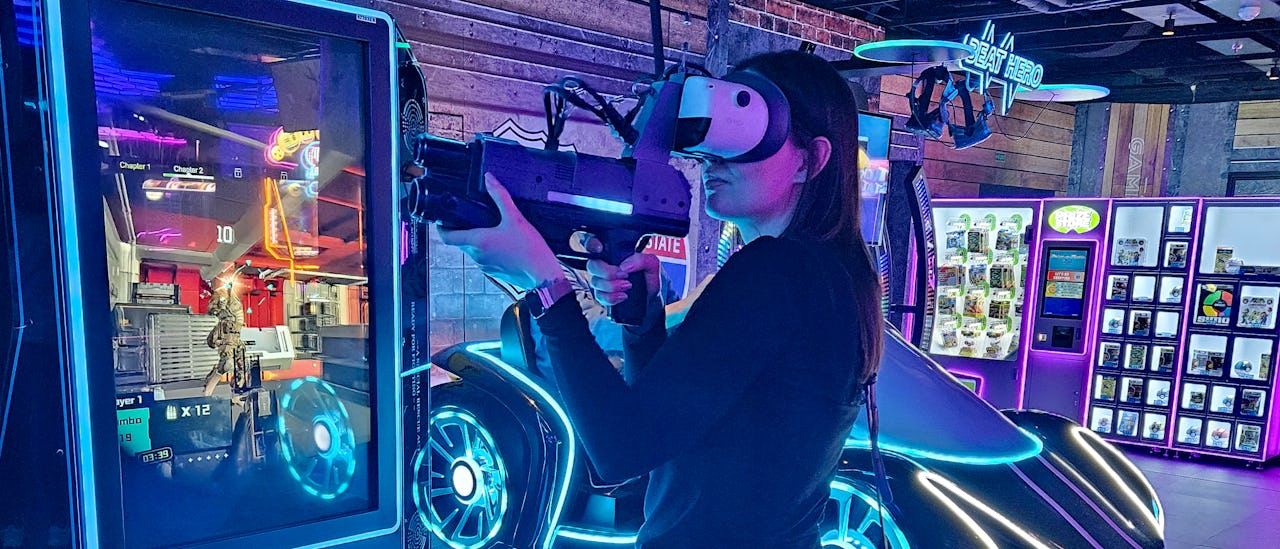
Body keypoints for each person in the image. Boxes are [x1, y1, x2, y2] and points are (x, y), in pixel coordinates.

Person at [439, 50, 884, 549]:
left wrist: (545, 284)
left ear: (810, 160)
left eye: (746, 134)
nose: (712, 158)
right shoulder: (837, 275)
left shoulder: (776, 269)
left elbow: (620, 451)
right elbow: (664, 427)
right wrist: (643, 321)